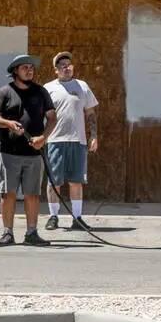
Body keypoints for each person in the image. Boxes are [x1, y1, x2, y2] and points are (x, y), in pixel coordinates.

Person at [0, 54, 57, 247]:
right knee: (8, 194)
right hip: (9, 153)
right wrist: (8, 123)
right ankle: (8, 233)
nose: (30, 70)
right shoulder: (5, 92)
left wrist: (43, 138)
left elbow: (52, 118)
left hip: (34, 155)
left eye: (31, 67)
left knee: (32, 194)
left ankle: (32, 233)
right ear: (15, 71)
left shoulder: (40, 92)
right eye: (25, 67)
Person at [43, 51, 99, 231]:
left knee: (76, 181)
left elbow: (90, 113)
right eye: (62, 66)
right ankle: (53, 216)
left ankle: (77, 218)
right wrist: (42, 137)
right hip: (55, 141)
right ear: (55, 70)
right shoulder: (48, 88)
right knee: (54, 182)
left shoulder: (82, 86)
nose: (67, 68)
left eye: (69, 64)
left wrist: (94, 135)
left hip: (78, 141)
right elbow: (42, 115)